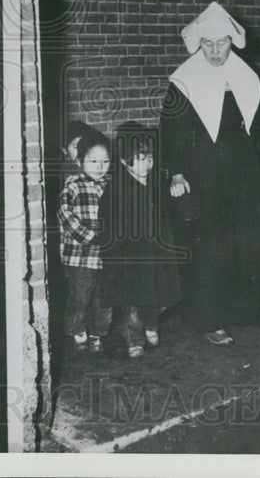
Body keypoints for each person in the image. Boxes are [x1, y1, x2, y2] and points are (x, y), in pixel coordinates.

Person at [159, 2, 260, 346]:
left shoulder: (247, 76)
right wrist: (176, 172)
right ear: (198, 43)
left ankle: (242, 311)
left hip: (242, 174)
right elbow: (171, 130)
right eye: (208, 44)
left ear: (232, 41)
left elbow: (258, 130)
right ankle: (209, 319)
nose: (216, 51)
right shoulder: (183, 81)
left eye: (222, 43)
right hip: (202, 174)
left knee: (242, 240)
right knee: (209, 247)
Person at [99, 123, 182, 358]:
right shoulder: (116, 190)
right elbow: (109, 229)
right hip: (131, 257)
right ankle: (134, 338)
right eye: (140, 158)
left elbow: (166, 219)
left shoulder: (156, 184)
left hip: (156, 253)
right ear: (124, 162)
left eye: (150, 157)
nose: (147, 164)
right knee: (133, 303)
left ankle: (151, 323)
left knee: (161, 297)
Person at [56, 130, 112, 353]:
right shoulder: (73, 185)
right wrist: (90, 236)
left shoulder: (111, 185)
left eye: (105, 161)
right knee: (80, 296)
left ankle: (98, 332)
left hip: (106, 255)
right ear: (79, 162)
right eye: (93, 161)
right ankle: (76, 330)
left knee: (103, 298)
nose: (100, 166)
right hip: (80, 256)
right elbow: (64, 213)